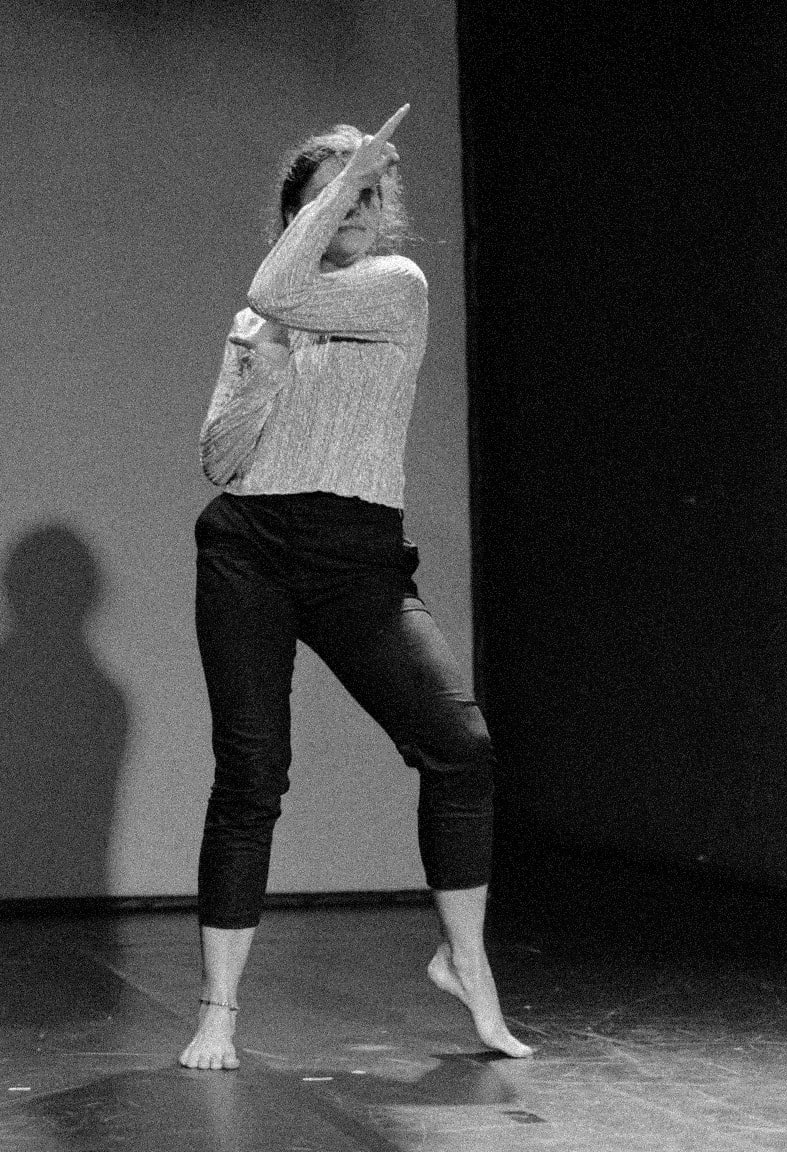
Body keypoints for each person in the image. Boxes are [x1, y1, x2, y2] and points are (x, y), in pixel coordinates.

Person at [178, 106, 532, 1070]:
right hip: (250, 546)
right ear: (301, 212)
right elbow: (220, 459)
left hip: (357, 553)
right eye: (336, 196)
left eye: (371, 196)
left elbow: (276, 283)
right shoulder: (256, 322)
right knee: (252, 775)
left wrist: (319, 229)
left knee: (459, 745)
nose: (358, 212)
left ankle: (465, 963)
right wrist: (264, 371)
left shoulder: (396, 288)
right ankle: (218, 1011)